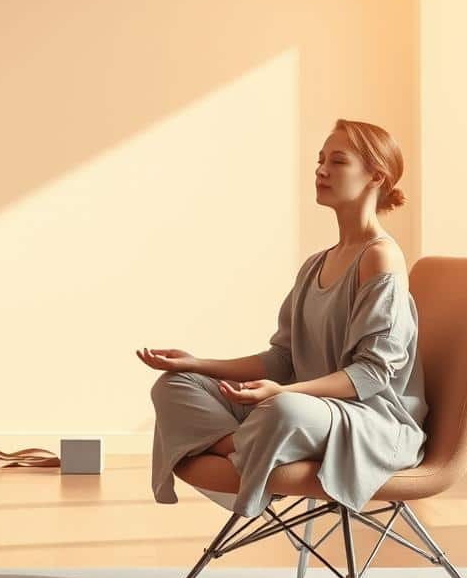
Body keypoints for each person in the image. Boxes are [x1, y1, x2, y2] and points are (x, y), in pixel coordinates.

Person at [137, 118, 428, 517]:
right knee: (174, 385)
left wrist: (284, 393)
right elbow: (282, 359)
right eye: (320, 160)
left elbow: (372, 375)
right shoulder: (316, 264)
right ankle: (252, 449)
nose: (321, 170)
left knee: (283, 411)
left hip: (368, 421)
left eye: (338, 162)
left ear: (376, 176)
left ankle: (248, 451)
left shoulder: (381, 258)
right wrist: (196, 363)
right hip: (307, 409)